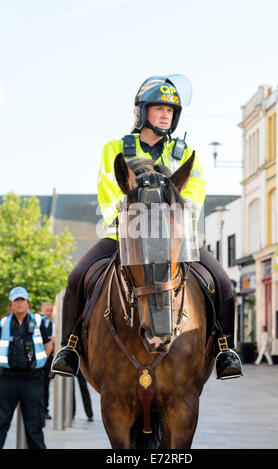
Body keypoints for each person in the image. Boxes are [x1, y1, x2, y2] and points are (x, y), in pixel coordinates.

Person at [52, 75, 242, 380]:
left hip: (173, 238)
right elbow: (109, 188)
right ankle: (69, 347)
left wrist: (173, 225)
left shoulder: (185, 154)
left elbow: (194, 191)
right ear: (142, 112)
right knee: (76, 278)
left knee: (221, 281)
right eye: (159, 109)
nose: (166, 115)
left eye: (170, 111)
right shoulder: (114, 148)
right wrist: (135, 220)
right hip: (127, 235)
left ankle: (225, 349)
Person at [0, 287, 53, 449]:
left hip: (32, 378)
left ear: (27, 302)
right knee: (1, 422)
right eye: (16, 300)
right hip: (8, 379)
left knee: (34, 426)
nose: (19, 303)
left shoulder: (38, 321)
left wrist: (41, 361)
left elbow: (48, 344)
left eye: (22, 300)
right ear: (11, 304)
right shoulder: (3, 323)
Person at [40, 302, 55, 419]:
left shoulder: (52, 325)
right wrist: (48, 338)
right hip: (38, 357)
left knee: (46, 385)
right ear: (42, 310)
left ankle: (45, 409)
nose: (49, 313)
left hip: (48, 359)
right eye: (47, 310)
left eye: (50, 311)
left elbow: (53, 340)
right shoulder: (36, 322)